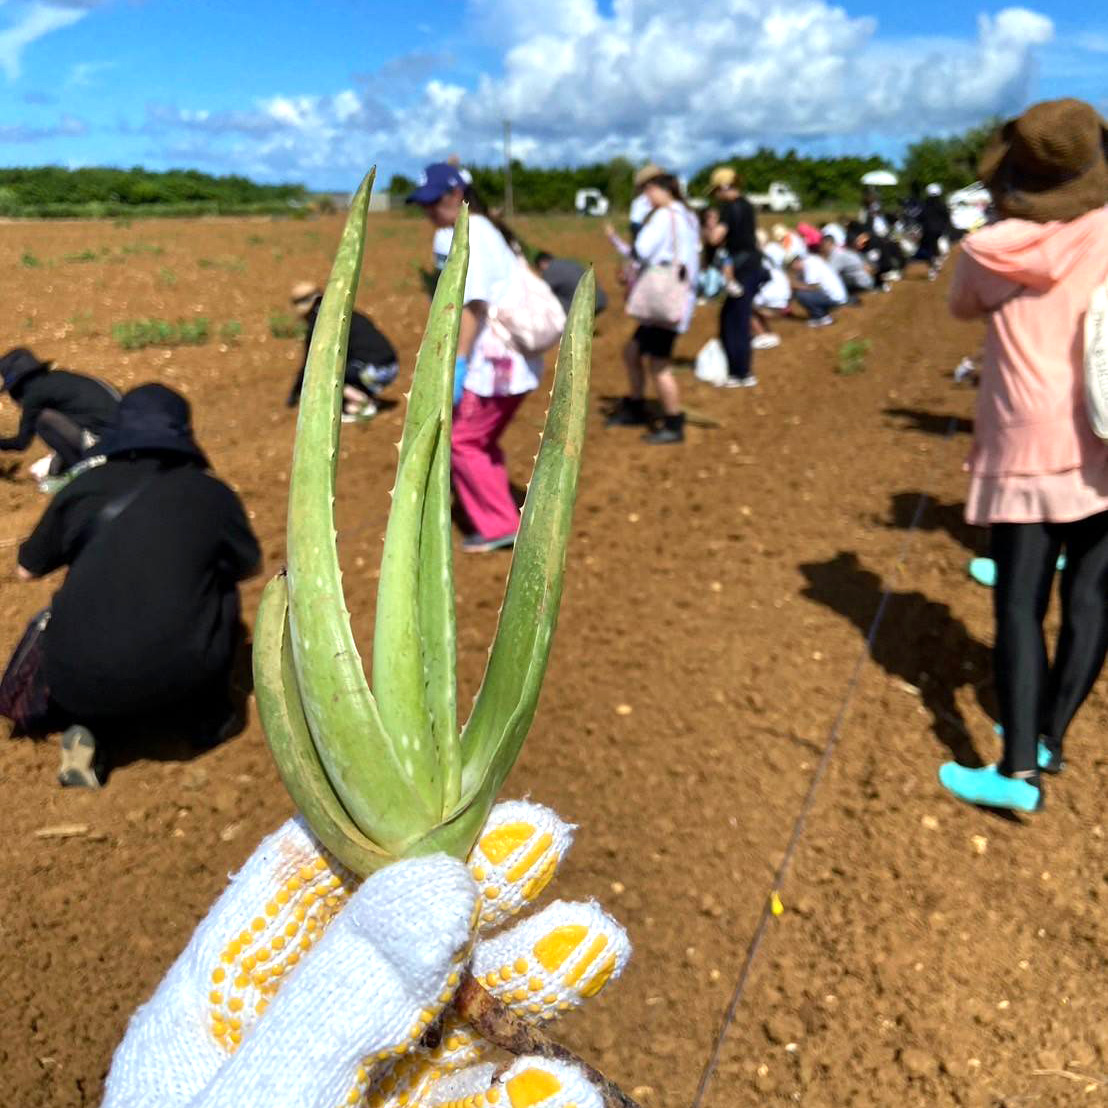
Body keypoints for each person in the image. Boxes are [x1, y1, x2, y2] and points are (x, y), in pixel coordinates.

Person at [937, 98, 1108, 813]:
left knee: (1018, 603)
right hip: (1103, 430)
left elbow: (961, 309)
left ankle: (1016, 772)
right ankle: (1050, 740)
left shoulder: (989, 250)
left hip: (1023, 438)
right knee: (1093, 596)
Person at [13, 383, 261, 786]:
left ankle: (87, 731)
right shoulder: (212, 494)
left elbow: (26, 570)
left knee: (75, 600)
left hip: (77, 682)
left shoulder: (81, 488)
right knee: (221, 587)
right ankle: (208, 717)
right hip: (183, 675)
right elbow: (249, 567)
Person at [409, 163, 542, 550]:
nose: (429, 211)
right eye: (423, 204)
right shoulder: (481, 227)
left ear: (455, 196)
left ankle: (500, 524)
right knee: (481, 439)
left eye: (434, 201)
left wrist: (457, 364)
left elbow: (470, 305)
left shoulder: (473, 233)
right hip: (509, 359)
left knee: (464, 440)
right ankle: (500, 506)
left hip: (494, 362)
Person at [606, 170, 700, 444]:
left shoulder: (664, 216)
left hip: (663, 301)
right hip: (675, 296)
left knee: (659, 365)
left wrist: (631, 242)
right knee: (632, 351)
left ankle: (673, 421)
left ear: (659, 188)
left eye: (647, 191)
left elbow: (643, 250)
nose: (646, 198)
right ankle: (636, 405)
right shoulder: (687, 216)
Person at [285, 283, 399, 422]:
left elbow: (310, 364)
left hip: (373, 371)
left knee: (326, 375)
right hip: (391, 366)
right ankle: (363, 398)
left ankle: (364, 404)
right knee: (345, 367)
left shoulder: (319, 324)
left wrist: (295, 394)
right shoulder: (346, 312)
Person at [0, 348, 119, 478]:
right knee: (55, 467)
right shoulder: (57, 379)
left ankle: (82, 471)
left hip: (107, 442)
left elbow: (21, 443)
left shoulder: (34, 395)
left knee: (42, 419)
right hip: (123, 434)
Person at [705, 167, 763, 387]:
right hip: (752, 264)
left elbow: (715, 238)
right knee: (736, 315)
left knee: (734, 320)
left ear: (722, 188)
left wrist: (710, 230)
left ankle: (740, 372)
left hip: (740, 268)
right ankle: (739, 369)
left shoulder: (729, 208)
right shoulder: (747, 205)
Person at [786, 232, 849, 326]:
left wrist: (796, 286)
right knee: (801, 289)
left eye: (791, 267)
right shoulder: (811, 260)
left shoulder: (810, 265)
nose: (793, 270)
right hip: (836, 297)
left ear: (795, 263)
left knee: (800, 293)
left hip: (835, 299)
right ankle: (820, 314)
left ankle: (821, 317)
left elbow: (814, 286)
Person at [535, 252, 608, 316]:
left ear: (542, 263)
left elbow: (541, 293)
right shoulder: (569, 262)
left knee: (550, 298)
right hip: (600, 299)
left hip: (585, 306)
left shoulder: (549, 270)